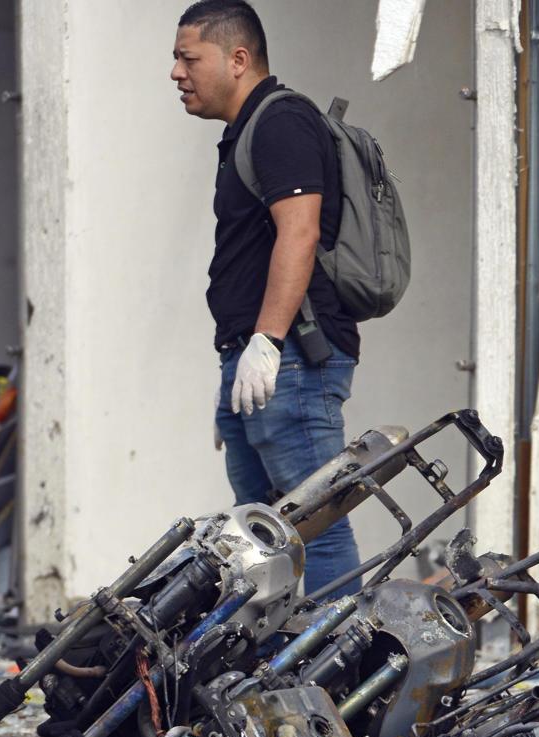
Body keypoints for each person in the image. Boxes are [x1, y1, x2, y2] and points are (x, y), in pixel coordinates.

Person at [171, 0, 363, 597]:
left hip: (294, 360)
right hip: (257, 360)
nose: (176, 72)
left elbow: (299, 233)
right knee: (260, 534)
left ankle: (347, 671)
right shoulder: (245, 131)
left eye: (188, 58)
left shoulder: (281, 122)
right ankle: (289, 670)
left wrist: (265, 344)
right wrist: (239, 358)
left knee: (315, 525)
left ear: (238, 58)